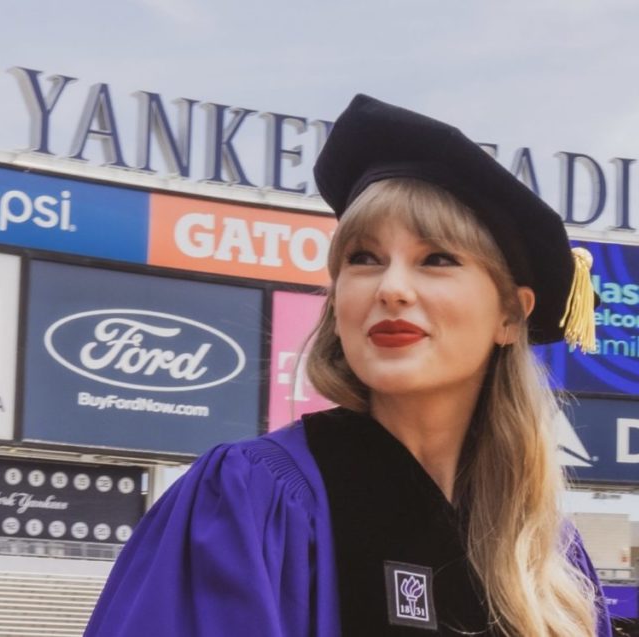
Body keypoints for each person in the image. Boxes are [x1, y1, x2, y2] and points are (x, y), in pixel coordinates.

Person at [85, 94, 611, 636]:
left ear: (510, 314)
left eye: (436, 259)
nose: (392, 288)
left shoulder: (548, 560)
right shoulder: (250, 501)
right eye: (364, 258)